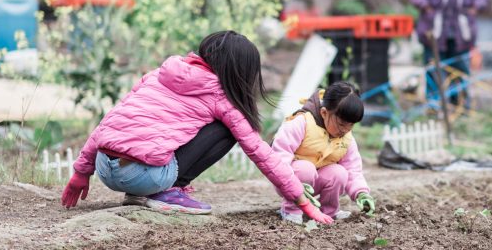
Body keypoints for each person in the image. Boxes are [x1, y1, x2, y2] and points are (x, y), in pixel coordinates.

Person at [61, 30, 333, 223]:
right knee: (227, 129)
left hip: (104, 169)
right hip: (144, 176)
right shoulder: (221, 97)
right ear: (240, 71)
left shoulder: (157, 75)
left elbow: (109, 122)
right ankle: (167, 191)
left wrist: (81, 173)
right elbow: (260, 153)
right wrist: (302, 200)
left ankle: (147, 190)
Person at [271, 81, 376, 224]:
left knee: (339, 172)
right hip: (290, 180)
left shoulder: (346, 139)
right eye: (341, 124)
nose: (345, 130)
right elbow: (279, 157)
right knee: (305, 169)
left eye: (351, 125)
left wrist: (361, 193)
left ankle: (329, 212)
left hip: (317, 182)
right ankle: (291, 211)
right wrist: (292, 185)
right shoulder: (301, 123)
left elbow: (353, 169)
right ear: (324, 112)